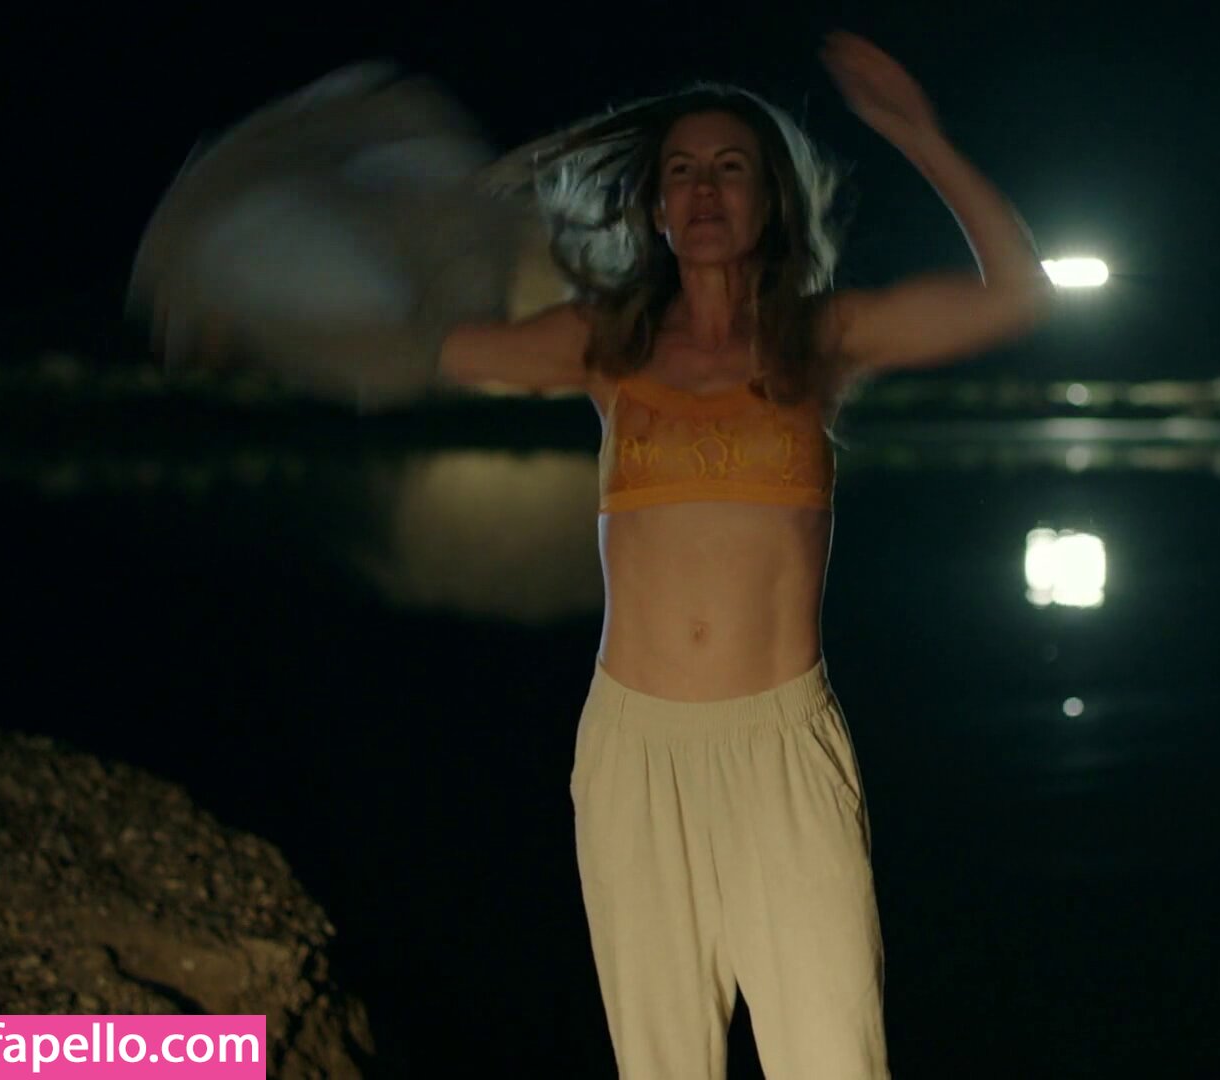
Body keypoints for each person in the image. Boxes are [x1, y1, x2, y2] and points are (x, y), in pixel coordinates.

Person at [442, 32, 1053, 1079]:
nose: (704, 190)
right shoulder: (608, 343)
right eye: (681, 170)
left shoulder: (823, 337)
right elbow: (432, 349)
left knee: (836, 1058)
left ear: (771, 199)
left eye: (730, 167)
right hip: (634, 755)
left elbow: (1019, 296)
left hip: (784, 754)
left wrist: (918, 134)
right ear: (654, 206)